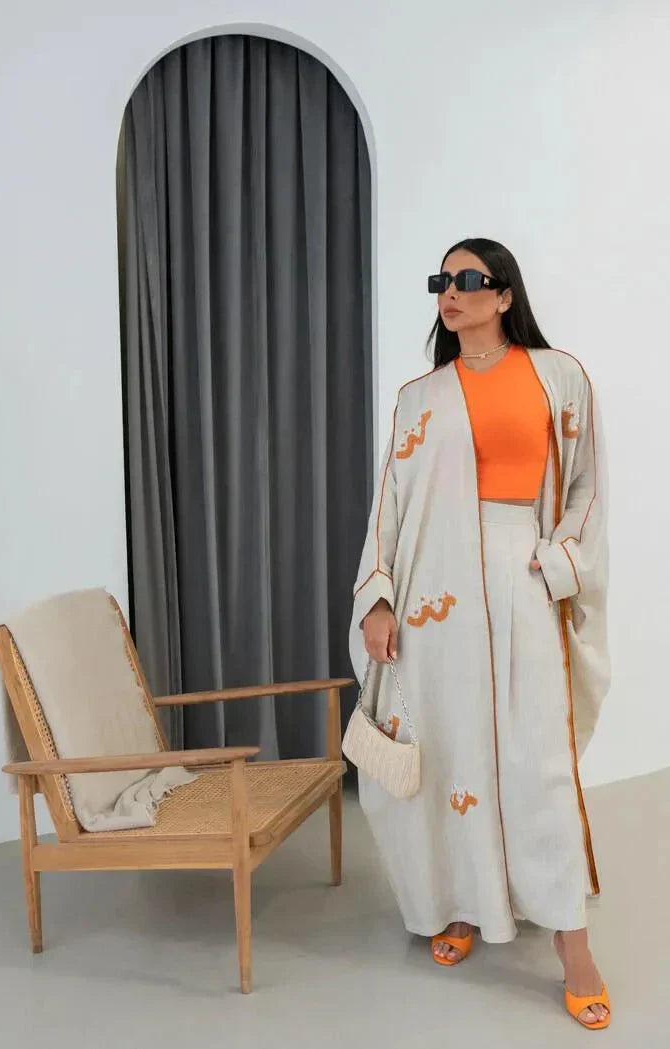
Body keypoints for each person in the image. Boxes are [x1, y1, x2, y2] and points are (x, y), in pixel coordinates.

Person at [348, 238, 611, 1029]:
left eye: (468, 281)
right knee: (454, 751)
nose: (450, 294)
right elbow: (386, 507)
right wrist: (379, 599)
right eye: (442, 282)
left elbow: (589, 488)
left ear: (503, 295)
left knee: (538, 763)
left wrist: (554, 563)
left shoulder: (558, 375)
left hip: (521, 579)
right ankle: (459, 902)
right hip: (435, 592)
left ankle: (573, 942)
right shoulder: (419, 396)